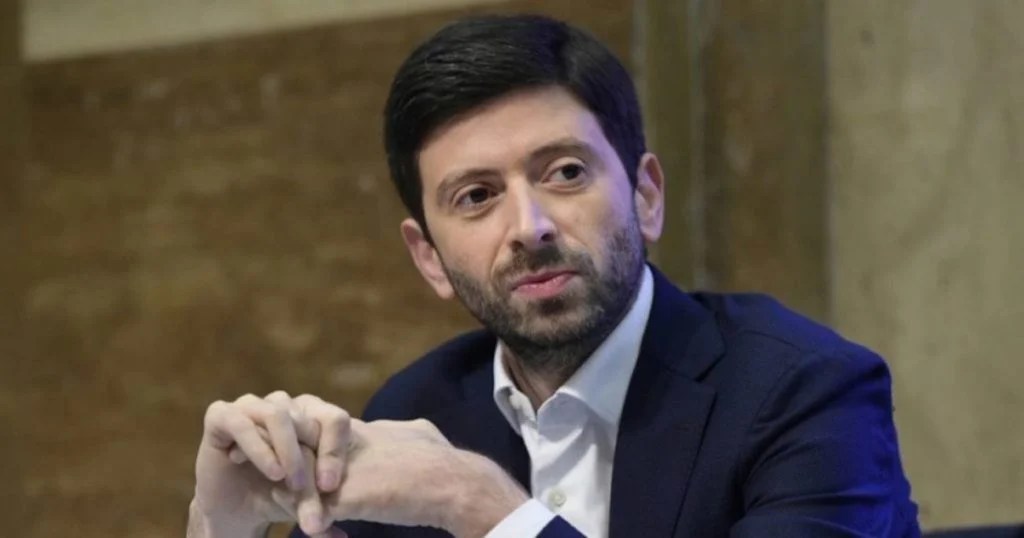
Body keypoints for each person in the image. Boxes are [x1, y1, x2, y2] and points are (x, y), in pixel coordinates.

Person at [187, 14, 921, 538]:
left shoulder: (804, 393)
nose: (529, 226)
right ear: (429, 258)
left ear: (646, 196)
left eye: (565, 172)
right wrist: (227, 524)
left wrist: (478, 503)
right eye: (476, 196)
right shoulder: (415, 408)